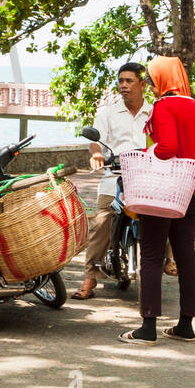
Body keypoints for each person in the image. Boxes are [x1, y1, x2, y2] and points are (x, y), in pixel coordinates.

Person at [120, 56, 195, 344]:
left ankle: (148, 327)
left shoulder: (164, 106)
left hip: (166, 191)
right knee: (186, 255)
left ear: (163, 79)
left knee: (153, 256)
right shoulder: (194, 107)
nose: (153, 84)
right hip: (193, 190)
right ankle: (185, 325)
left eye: (154, 78)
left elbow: (168, 147)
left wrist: (148, 155)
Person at [74, 62, 152, 300]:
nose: (124, 86)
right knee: (101, 222)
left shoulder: (155, 111)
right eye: (121, 81)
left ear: (143, 85)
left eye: (129, 81)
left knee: (161, 217)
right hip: (114, 176)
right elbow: (95, 140)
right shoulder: (107, 112)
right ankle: (90, 278)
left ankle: (168, 258)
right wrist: (96, 153)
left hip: (146, 177)